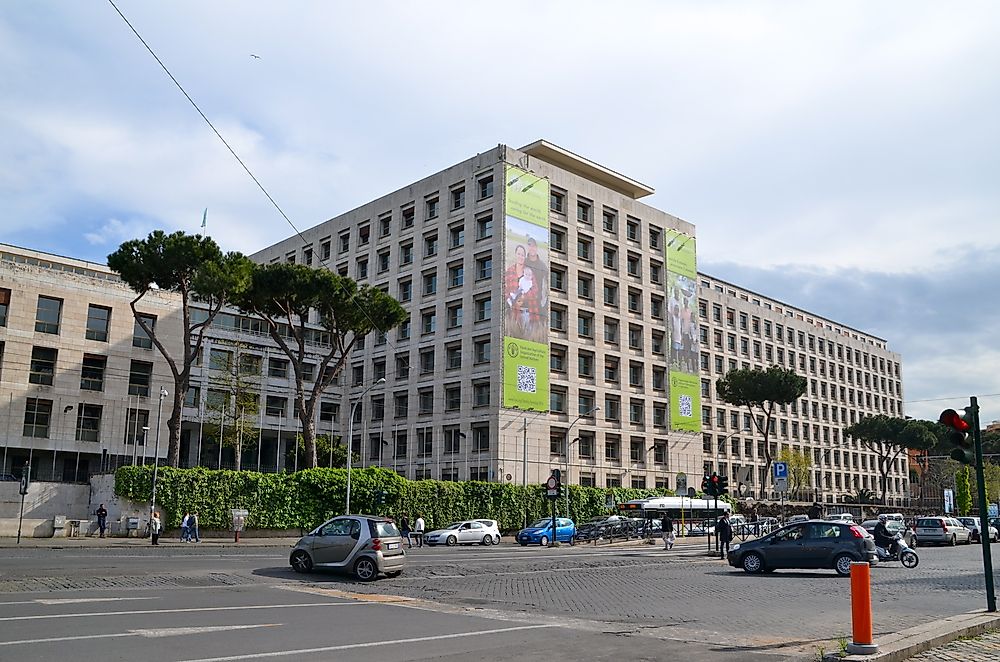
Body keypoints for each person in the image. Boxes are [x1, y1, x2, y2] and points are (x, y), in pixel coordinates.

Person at [504, 244, 542, 339]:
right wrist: (510, 298)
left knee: (528, 337)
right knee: (515, 335)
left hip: (528, 311)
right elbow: (505, 290)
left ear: (525, 256)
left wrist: (524, 297)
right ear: (515, 254)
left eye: (522, 255)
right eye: (519, 254)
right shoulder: (509, 271)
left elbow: (535, 291)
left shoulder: (529, 272)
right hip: (514, 312)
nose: (520, 257)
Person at [524, 237, 548, 308]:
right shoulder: (523, 262)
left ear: (536, 248)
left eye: (533, 246)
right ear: (527, 247)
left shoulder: (543, 266)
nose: (532, 248)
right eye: (530, 246)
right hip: (523, 301)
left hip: (537, 303)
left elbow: (547, 287)